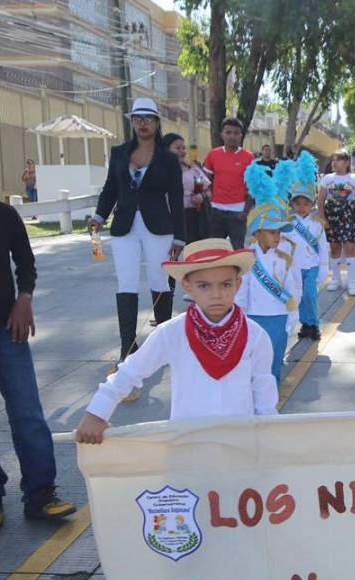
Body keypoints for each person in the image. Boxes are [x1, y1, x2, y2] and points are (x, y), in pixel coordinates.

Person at [75, 239, 278, 443]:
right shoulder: (172, 333)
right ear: (187, 286)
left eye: (226, 284)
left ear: (238, 283)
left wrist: (269, 440)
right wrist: (97, 413)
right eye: (204, 286)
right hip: (187, 445)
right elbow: (130, 371)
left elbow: (264, 392)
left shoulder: (255, 336)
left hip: (240, 444)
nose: (216, 295)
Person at [0, 194, 76, 532]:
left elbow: (25, 263)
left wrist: (24, 299)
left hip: (8, 330)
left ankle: (40, 494)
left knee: (28, 415)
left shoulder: (3, 215)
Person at [90, 97, 184, 376]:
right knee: (126, 282)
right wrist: (98, 216)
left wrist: (180, 237)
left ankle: (163, 345)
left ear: (157, 122)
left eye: (148, 118)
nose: (143, 124)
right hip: (124, 227)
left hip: (158, 227)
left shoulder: (168, 158)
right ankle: (127, 347)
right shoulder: (119, 152)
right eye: (137, 118)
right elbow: (110, 189)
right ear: (132, 122)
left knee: (159, 281)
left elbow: (177, 199)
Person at [237, 163, 301, 383]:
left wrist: (293, 316)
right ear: (257, 232)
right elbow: (241, 291)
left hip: (278, 317)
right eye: (273, 231)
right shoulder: (246, 258)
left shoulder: (285, 258)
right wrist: (241, 317)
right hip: (253, 317)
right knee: (253, 362)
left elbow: (293, 288)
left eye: (280, 232)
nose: (278, 236)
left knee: (274, 362)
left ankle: (270, 401)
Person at [287, 153, 329, 342]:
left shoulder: (317, 223)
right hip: (294, 266)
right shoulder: (288, 223)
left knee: (311, 295)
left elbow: (323, 246)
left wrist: (323, 267)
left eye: (306, 203)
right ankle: (305, 324)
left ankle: (314, 324)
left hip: (311, 266)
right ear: (292, 204)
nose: (302, 207)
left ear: (312, 204)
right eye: (298, 203)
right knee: (299, 296)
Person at [204, 118, 256, 249]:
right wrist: (209, 196)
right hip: (216, 211)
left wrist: (245, 212)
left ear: (241, 135)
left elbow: (253, 187)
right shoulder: (213, 154)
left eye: (236, 133)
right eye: (228, 132)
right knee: (215, 250)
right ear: (222, 134)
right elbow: (205, 179)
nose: (232, 136)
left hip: (238, 213)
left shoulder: (249, 157)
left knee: (237, 250)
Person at [318, 150, 355, 296]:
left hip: (349, 216)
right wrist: (322, 218)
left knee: (350, 247)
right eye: (333, 160)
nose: (334, 163)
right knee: (335, 247)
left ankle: (352, 283)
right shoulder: (327, 179)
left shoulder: (354, 179)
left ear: (346, 163)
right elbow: (320, 200)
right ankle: (335, 280)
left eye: (338, 160)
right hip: (332, 216)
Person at [164, 133, 211, 245]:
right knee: (172, 253)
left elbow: (208, 190)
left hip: (193, 218)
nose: (182, 151)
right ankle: (173, 261)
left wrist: (202, 196)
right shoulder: (159, 172)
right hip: (168, 218)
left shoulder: (193, 171)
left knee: (193, 251)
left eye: (183, 148)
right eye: (177, 148)